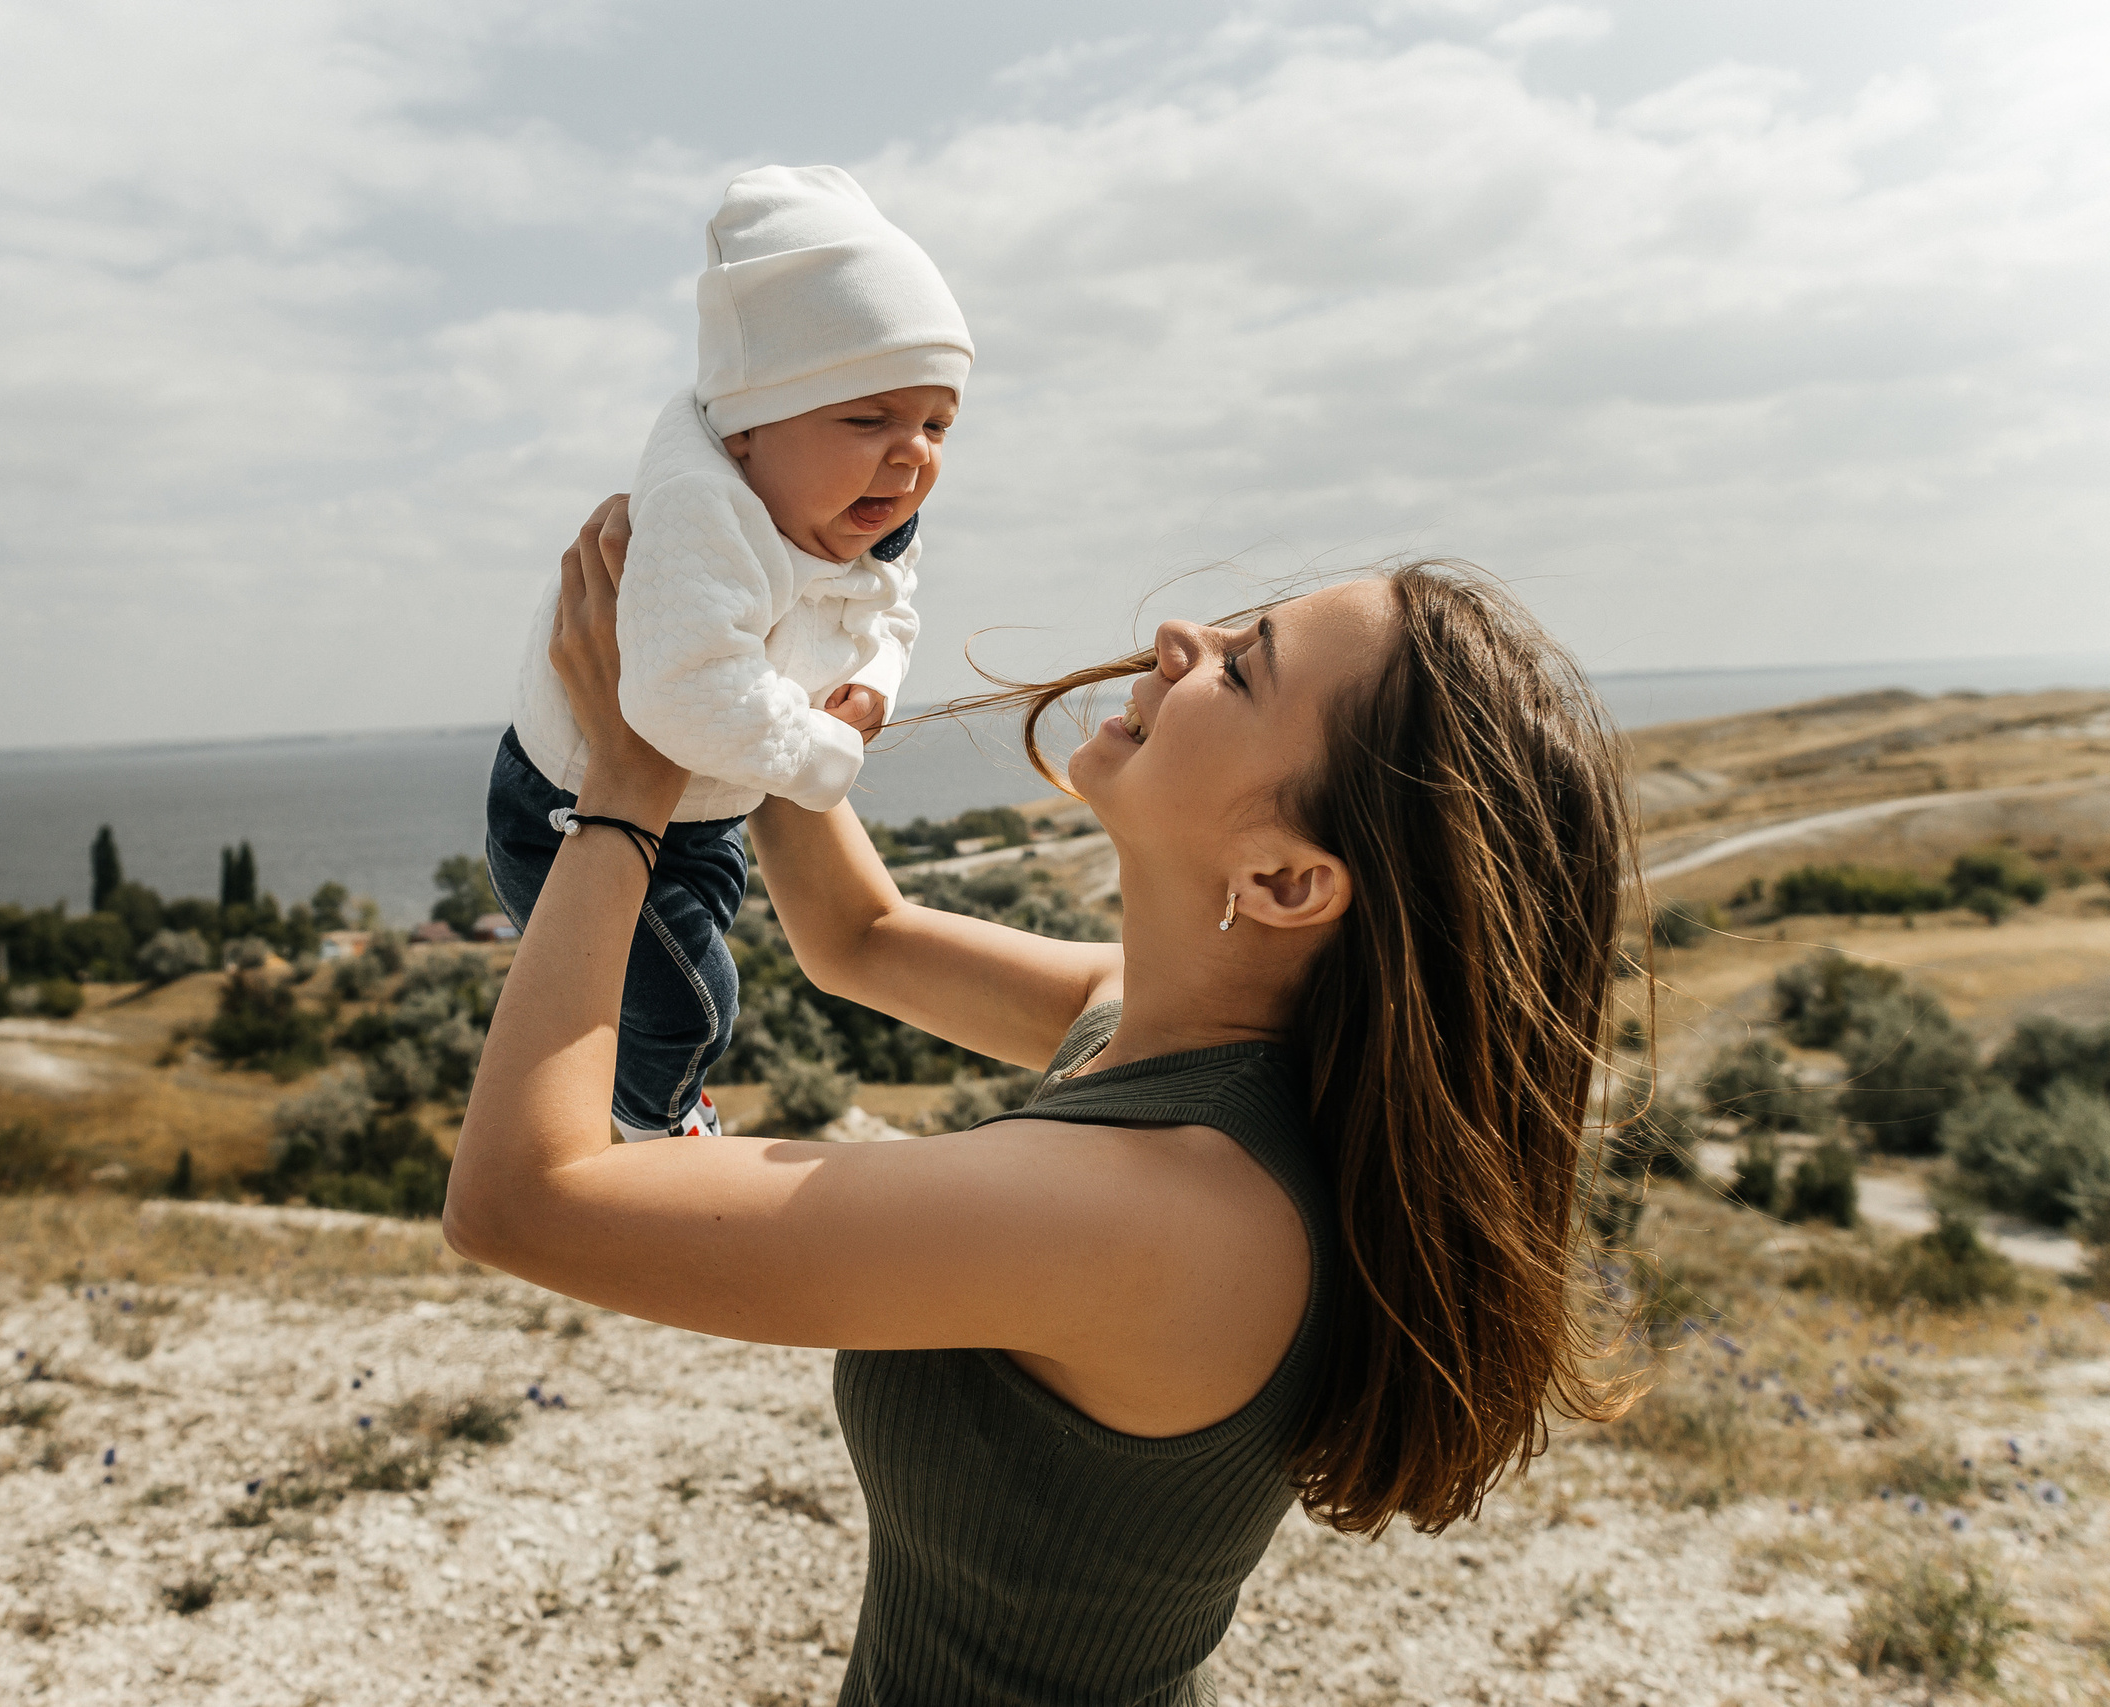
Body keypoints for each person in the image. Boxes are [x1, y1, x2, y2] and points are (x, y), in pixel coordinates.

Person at [448, 497, 1632, 1705]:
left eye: (1243, 668)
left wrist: (621, 792)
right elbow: (864, 937)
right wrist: (749, 691)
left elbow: (522, 1201)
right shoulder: (1174, 1040)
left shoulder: (1154, 1212)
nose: (1182, 637)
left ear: (1283, 880)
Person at [491, 164, 972, 1143]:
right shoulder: (702, 518)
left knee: (692, 963)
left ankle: (644, 1096)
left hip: (706, 805)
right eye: (868, 418)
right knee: (691, 1004)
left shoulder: (858, 518)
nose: (913, 452)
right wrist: (823, 755)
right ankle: (649, 1124)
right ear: (746, 430)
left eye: (935, 423)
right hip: (570, 810)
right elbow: (679, 700)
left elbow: (889, 613)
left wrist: (867, 691)